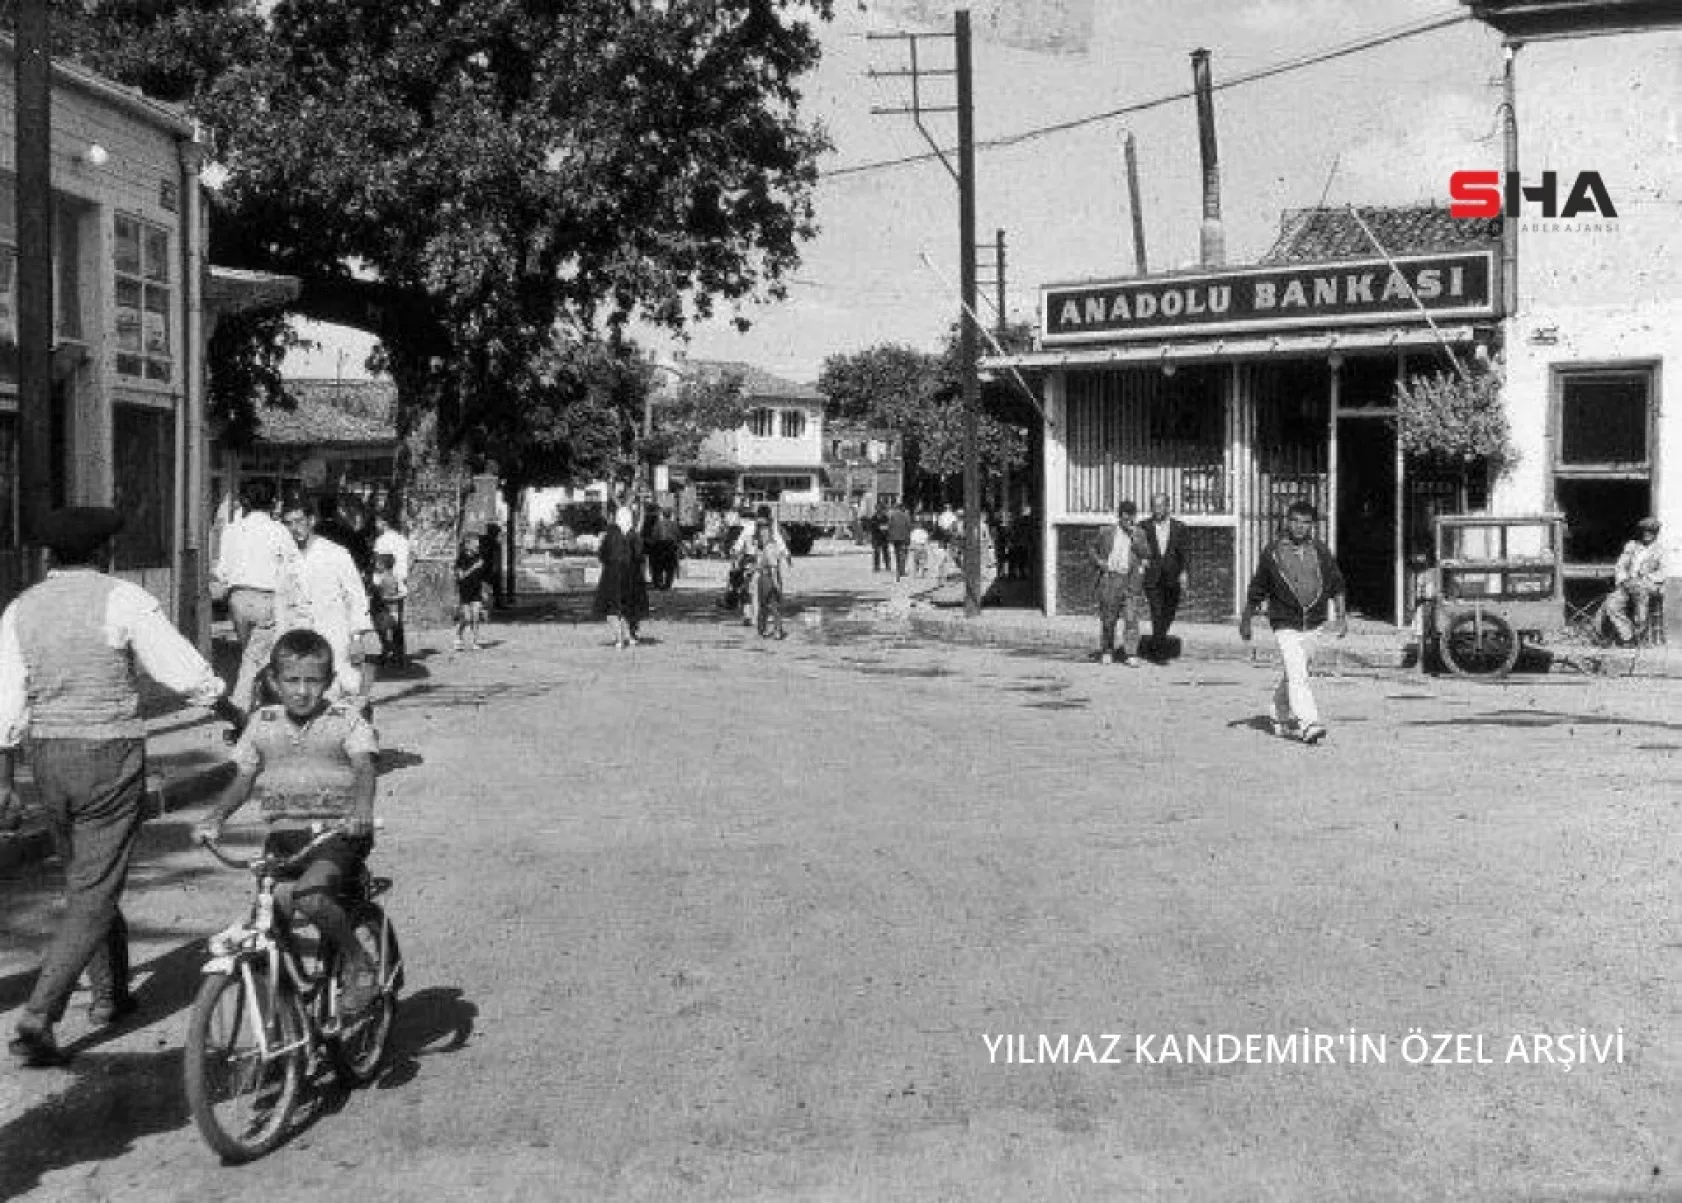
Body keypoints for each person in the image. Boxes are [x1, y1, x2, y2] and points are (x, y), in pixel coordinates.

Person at [0, 507, 239, 1066]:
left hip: (49, 760)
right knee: (96, 888)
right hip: (108, 756)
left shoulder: (20, 609)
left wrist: (6, 783)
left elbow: (5, 705)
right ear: (104, 553)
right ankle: (40, 1013)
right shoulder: (124, 599)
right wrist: (235, 711)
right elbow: (184, 672)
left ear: (48, 557)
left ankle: (110, 995)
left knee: (88, 880)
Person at [193, 629, 380, 1016]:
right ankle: (284, 1027)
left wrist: (361, 812)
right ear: (275, 682)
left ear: (327, 683)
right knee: (269, 923)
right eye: (292, 680)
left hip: (337, 834)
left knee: (310, 896)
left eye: (312, 681)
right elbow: (243, 779)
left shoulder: (344, 720)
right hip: (284, 837)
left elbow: (364, 767)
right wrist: (215, 817)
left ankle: (358, 963)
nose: (301, 691)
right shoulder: (261, 723)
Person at [1240, 500, 1348, 746]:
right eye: (1295, 521)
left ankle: (1278, 712)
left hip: (1314, 622)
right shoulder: (1273, 552)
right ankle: (1309, 723)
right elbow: (1258, 588)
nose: (1300, 527)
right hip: (1284, 622)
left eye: (1306, 523)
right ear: (1287, 522)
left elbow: (1337, 583)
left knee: (1295, 671)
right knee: (1299, 674)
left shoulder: (1320, 551)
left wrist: (1341, 617)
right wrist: (1246, 619)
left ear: (1312, 526)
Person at [214, 478, 307, 721]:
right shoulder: (279, 531)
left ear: (244, 501)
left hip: (238, 598)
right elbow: (294, 567)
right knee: (256, 657)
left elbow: (222, 570)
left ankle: (256, 706)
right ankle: (240, 708)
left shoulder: (232, 530)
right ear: (274, 503)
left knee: (251, 653)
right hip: (267, 598)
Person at [278, 494, 375, 709]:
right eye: (289, 523)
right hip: (299, 635)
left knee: (342, 691)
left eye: (299, 521)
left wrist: (357, 637)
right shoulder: (285, 556)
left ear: (311, 520)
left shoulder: (335, 553)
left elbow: (356, 596)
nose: (295, 528)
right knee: (304, 693)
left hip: (334, 632)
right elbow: (281, 601)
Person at [1090, 501, 1150, 667]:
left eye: (1131, 517)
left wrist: (1134, 536)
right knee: (1109, 619)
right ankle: (1107, 651)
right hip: (1111, 579)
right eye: (1125, 517)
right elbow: (1092, 550)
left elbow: (1145, 553)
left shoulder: (1140, 533)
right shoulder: (1106, 532)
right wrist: (1100, 563)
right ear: (1119, 516)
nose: (1128, 521)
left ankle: (1131, 653)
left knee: (1131, 619)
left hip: (1130, 581)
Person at [1140, 492, 1190, 661]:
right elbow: (1137, 548)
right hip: (1152, 576)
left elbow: (1184, 553)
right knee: (1156, 610)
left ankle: (1156, 641)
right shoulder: (1144, 527)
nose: (1157, 509)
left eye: (1161, 506)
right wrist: (1142, 561)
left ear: (1168, 507)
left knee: (1169, 611)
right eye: (1154, 506)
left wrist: (1183, 572)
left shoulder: (1179, 527)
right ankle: (1159, 652)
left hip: (1172, 576)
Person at [1604, 517, 1665, 645]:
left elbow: (1662, 572)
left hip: (1648, 585)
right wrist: (1623, 580)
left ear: (1656, 533)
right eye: (1645, 531)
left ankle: (1640, 635)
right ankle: (1628, 635)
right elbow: (1620, 566)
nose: (1647, 534)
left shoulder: (1660, 550)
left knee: (1640, 601)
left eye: (1651, 531)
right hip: (1628, 584)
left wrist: (1646, 579)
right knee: (1612, 604)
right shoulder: (1632, 546)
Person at [594, 506, 648, 648]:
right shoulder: (634, 535)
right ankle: (631, 636)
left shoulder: (610, 535)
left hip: (612, 575)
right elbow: (640, 556)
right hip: (632, 576)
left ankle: (619, 638)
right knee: (630, 607)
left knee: (612, 609)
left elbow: (602, 555)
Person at [371, 512, 411, 667]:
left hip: (383, 582)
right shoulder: (403, 540)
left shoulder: (381, 541)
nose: (376, 525)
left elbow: (379, 563)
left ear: (383, 522)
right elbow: (409, 560)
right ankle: (399, 653)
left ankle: (386, 648)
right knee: (397, 620)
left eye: (377, 521)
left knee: (379, 617)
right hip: (400, 582)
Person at [751, 519, 791, 639]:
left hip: (767, 578)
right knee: (770, 605)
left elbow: (773, 567)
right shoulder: (767, 546)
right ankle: (770, 630)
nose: (762, 535)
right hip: (766, 578)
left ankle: (768, 630)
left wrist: (775, 583)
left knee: (769, 605)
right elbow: (771, 566)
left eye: (764, 533)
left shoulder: (769, 547)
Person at [454, 537, 487, 651]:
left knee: (476, 616)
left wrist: (485, 591)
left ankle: (475, 641)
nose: (478, 548)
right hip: (465, 591)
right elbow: (461, 576)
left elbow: (482, 577)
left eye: (478, 546)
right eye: (476, 546)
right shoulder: (461, 559)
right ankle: (458, 634)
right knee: (467, 618)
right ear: (468, 546)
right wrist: (474, 567)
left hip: (476, 591)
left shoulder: (480, 558)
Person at [647, 507, 681, 590]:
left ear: (663, 514)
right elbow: (678, 536)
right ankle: (667, 584)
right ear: (670, 515)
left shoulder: (658, 524)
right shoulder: (674, 524)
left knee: (658, 566)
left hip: (660, 546)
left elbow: (654, 536)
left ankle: (659, 583)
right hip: (670, 546)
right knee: (670, 568)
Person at [480, 523, 505, 609]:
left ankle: (494, 603)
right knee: (494, 587)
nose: (498, 535)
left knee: (493, 587)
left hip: (485, 567)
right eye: (497, 533)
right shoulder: (494, 543)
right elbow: (495, 558)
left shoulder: (484, 540)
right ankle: (495, 603)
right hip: (488, 568)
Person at [886, 503, 913, 580]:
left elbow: (889, 526)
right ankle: (901, 571)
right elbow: (909, 527)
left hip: (895, 538)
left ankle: (898, 569)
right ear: (902, 508)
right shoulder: (906, 516)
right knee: (903, 554)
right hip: (903, 538)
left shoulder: (892, 516)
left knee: (897, 553)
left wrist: (890, 536)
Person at [869, 508, 891, 573]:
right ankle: (876, 567)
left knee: (886, 552)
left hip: (884, 538)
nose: (880, 513)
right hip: (876, 537)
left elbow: (888, 526)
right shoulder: (873, 518)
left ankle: (887, 565)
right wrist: (880, 527)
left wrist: (881, 527)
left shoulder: (885, 517)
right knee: (876, 552)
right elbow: (872, 527)